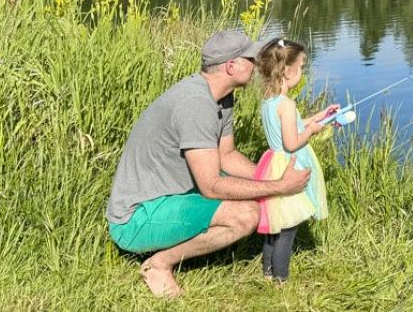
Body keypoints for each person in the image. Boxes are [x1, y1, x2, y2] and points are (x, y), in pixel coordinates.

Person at [105, 30, 311, 298]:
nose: (258, 64)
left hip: (170, 197)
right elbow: (211, 186)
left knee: (252, 194)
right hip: (136, 218)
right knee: (246, 214)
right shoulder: (196, 104)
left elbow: (227, 155)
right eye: (251, 59)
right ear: (231, 66)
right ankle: (159, 264)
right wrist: (279, 187)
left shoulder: (221, 97)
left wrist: (273, 176)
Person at [252, 37, 341, 282]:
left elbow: (291, 128)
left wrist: (320, 117)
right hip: (288, 167)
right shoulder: (287, 104)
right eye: (301, 67)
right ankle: (281, 280)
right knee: (287, 229)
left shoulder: (270, 101)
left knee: (275, 226)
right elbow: (292, 143)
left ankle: (267, 273)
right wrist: (311, 131)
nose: (302, 72)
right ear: (287, 71)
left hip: (273, 163)